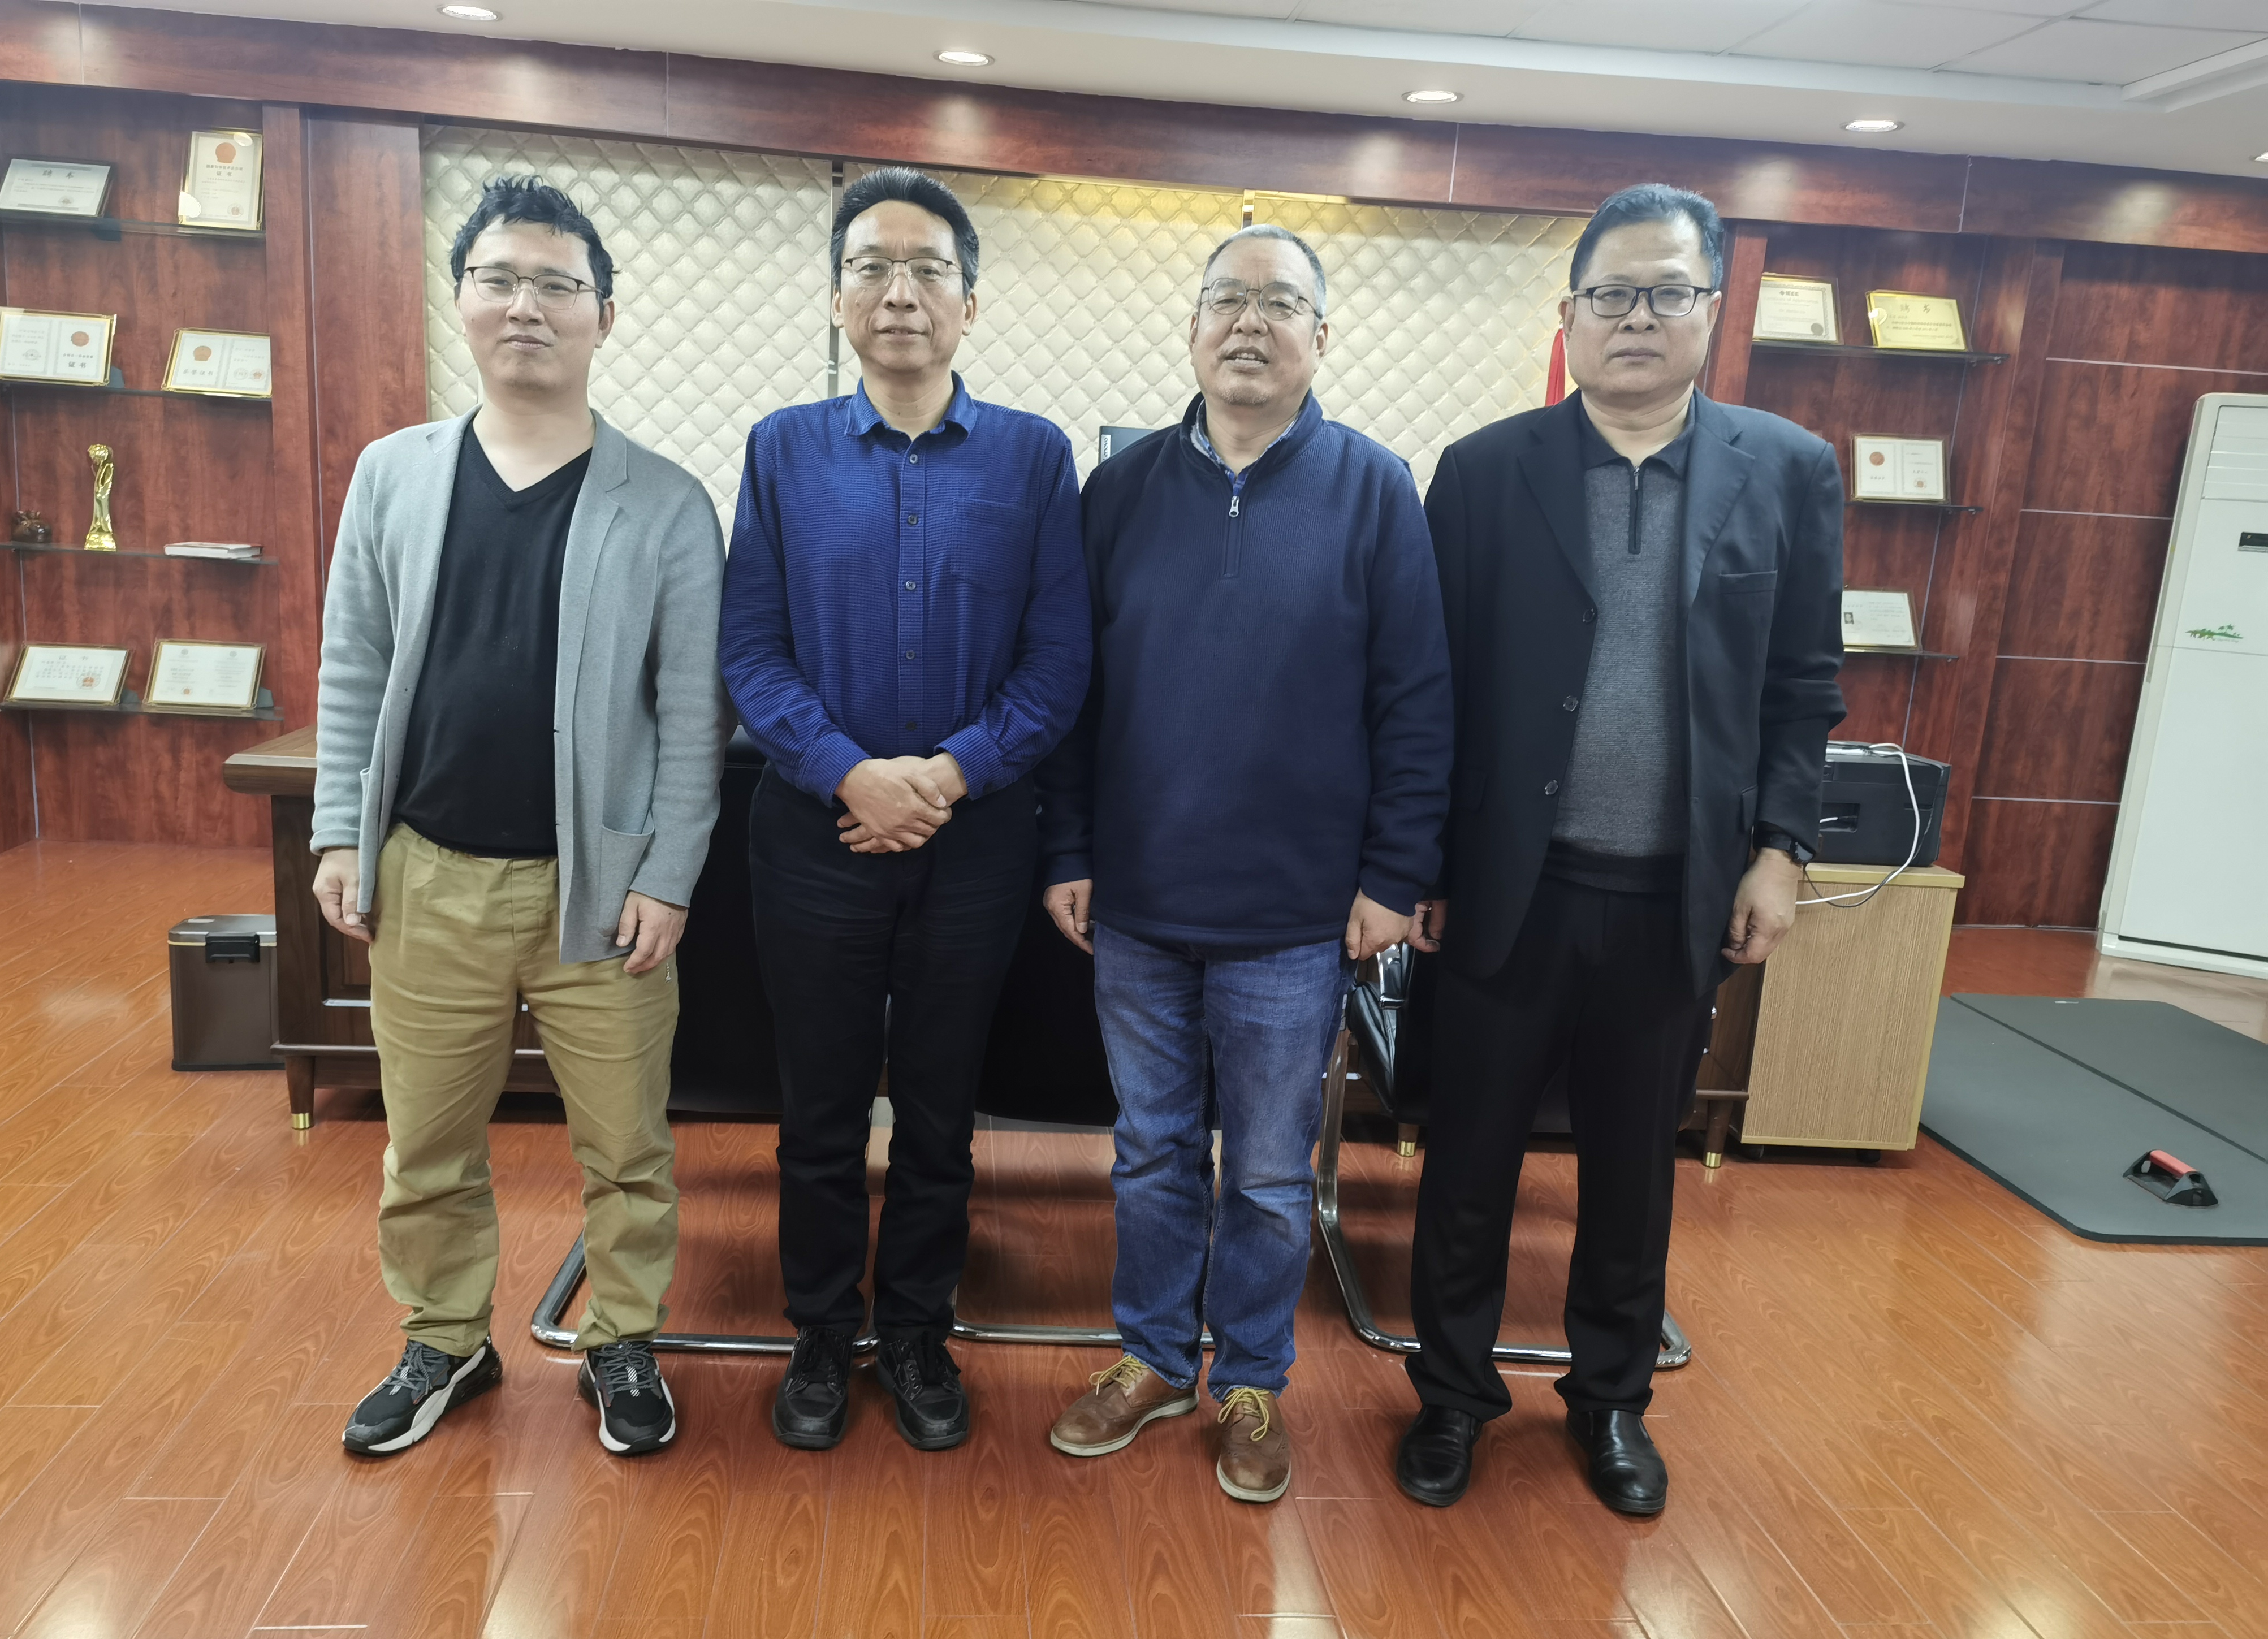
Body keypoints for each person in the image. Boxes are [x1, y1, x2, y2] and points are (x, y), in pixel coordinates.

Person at [1394, 183, 1845, 1514]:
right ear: (1569, 314)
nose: (1636, 318)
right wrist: (1421, 866)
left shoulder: (1786, 469)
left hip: (1672, 896)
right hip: (1506, 890)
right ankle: (1451, 1397)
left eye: (1666, 293)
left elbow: (1802, 687)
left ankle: (1608, 1402)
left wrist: (1780, 850)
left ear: (1711, 308)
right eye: (1610, 294)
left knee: (1632, 1173)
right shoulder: (1483, 471)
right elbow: (1430, 688)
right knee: (1467, 1162)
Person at [312, 175, 726, 1460]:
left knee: (627, 1147)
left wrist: (668, 872)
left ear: (604, 315)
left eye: (556, 285)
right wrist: (340, 828)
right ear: (463, 302)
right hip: (426, 872)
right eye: (498, 280)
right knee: (426, 1141)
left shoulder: (665, 501)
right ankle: (445, 1340)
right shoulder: (393, 474)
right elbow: (353, 662)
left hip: (597, 889)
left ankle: (623, 1340)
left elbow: (692, 713)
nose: (525, 307)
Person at [1038, 225, 1451, 1504]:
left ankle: (1254, 1376)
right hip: (1138, 904)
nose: (1249, 323)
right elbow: (1072, 696)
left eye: (1280, 304)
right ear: (1192, 328)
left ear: (1320, 337)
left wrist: (1393, 875)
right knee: (1151, 1152)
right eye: (1226, 299)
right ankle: (1155, 1357)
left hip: (1295, 915)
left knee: (1271, 1176)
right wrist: (1068, 846)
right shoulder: (1116, 494)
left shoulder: (1375, 489)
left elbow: (1416, 702)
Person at [720, 168, 1090, 1455]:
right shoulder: (782, 450)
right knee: (820, 1110)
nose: (899, 292)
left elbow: (1059, 662)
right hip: (813, 833)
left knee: (941, 1109)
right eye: (871, 267)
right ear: (836, 299)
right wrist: (849, 772)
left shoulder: (1035, 458)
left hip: (975, 840)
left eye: (928, 268)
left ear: (969, 303)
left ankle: (921, 1329)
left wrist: (947, 775)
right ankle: (824, 1330)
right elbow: (750, 649)